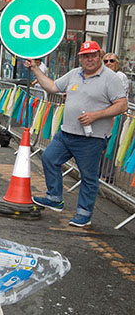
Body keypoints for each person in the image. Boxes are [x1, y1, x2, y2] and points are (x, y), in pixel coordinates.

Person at [26, 41, 128, 227]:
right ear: (80, 58)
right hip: (66, 133)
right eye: (85, 56)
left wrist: (96, 115)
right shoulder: (74, 73)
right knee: (49, 158)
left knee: (88, 177)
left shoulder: (110, 78)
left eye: (93, 55)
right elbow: (53, 87)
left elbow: (122, 105)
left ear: (99, 56)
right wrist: (35, 69)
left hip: (91, 139)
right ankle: (55, 197)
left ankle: (84, 214)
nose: (89, 59)